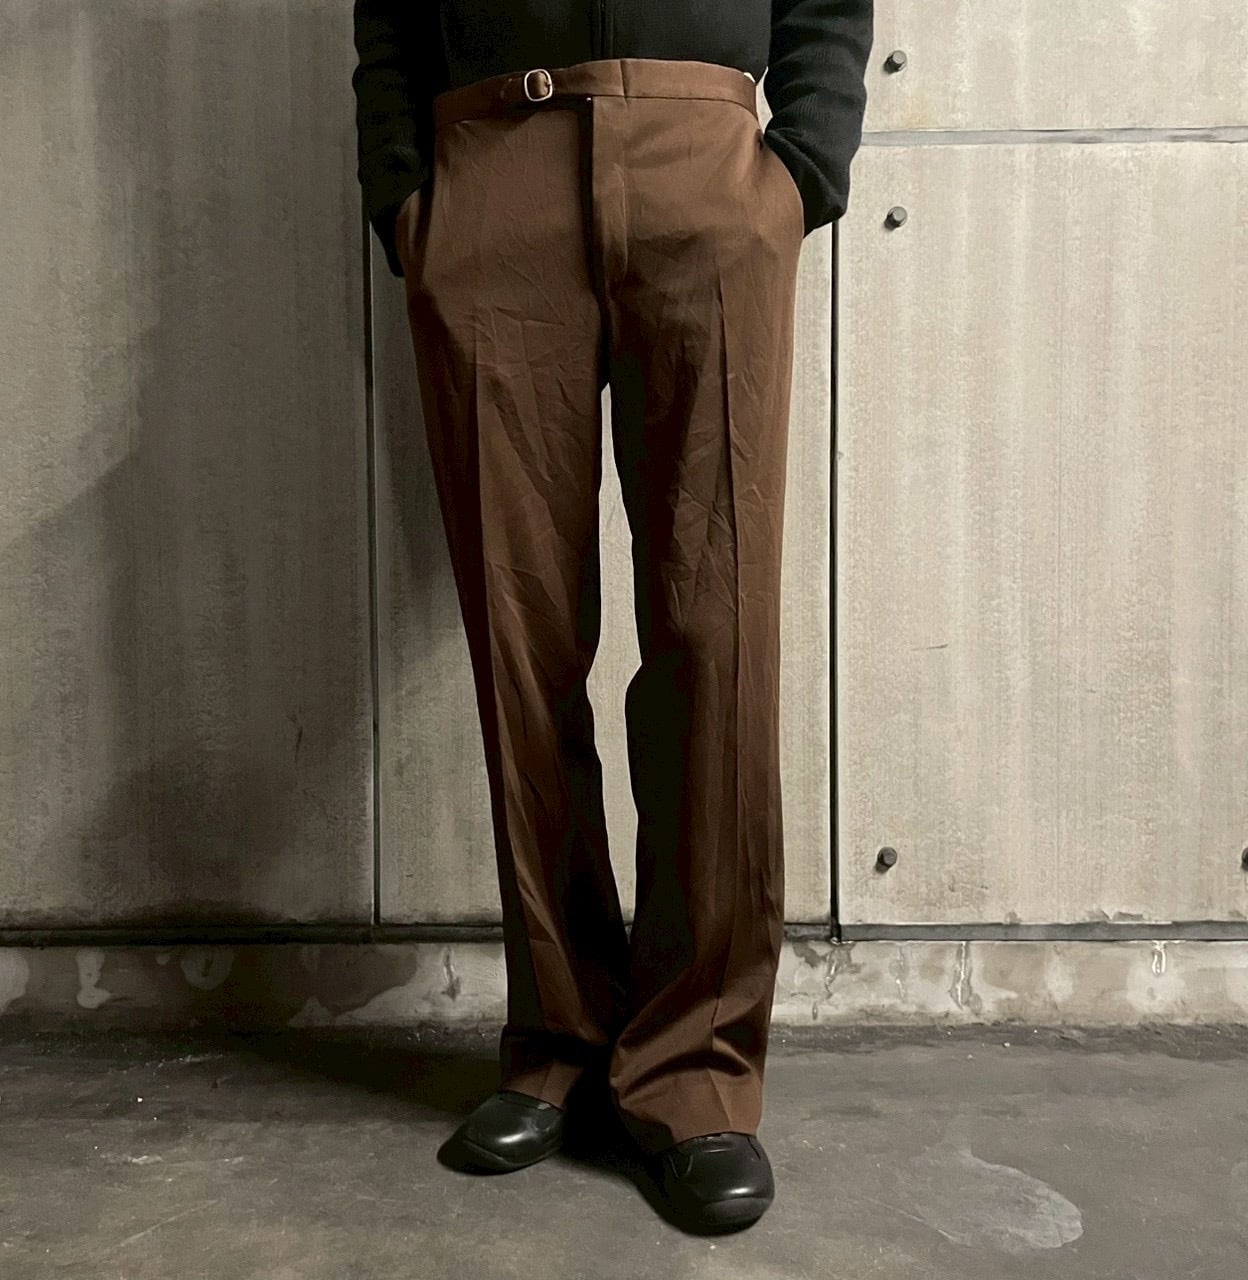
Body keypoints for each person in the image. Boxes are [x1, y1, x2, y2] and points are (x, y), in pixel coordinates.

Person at [351, 0, 873, 1234]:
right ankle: (558, 1039)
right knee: (519, 639)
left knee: (715, 633)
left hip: (705, 165)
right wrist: (406, 195)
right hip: (486, 169)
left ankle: (695, 1069)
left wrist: (799, 168)